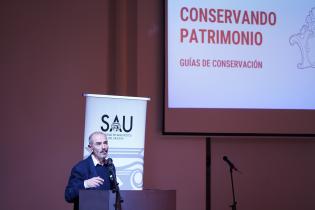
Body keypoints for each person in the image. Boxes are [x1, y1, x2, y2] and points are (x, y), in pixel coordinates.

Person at [64, 131, 115, 209]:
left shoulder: (110, 166)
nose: (104, 147)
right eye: (98, 144)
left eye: (105, 143)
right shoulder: (80, 167)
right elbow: (68, 196)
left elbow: (112, 193)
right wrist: (85, 184)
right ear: (90, 147)